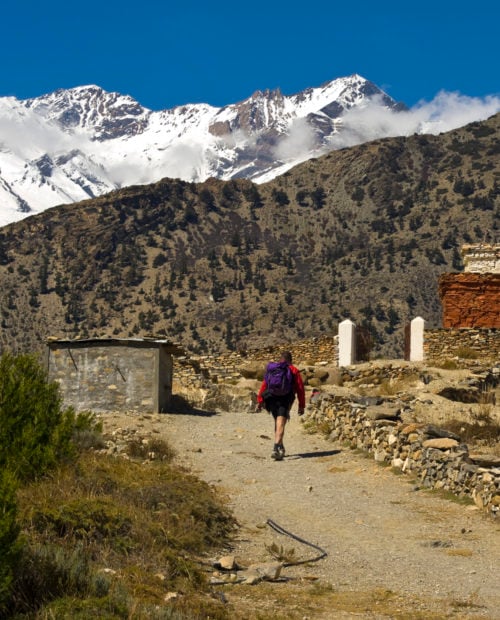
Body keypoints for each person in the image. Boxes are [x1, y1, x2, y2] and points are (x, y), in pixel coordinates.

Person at [256, 351, 305, 460]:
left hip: (271, 398)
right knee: (281, 423)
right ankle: (275, 447)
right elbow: (300, 389)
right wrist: (301, 405)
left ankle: (281, 447)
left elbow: (264, 385)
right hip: (285, 398)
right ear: (290, 360)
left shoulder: (273, 369)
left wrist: (260, 400)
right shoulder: (293, 370)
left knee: (277, 422)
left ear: (280, 359)